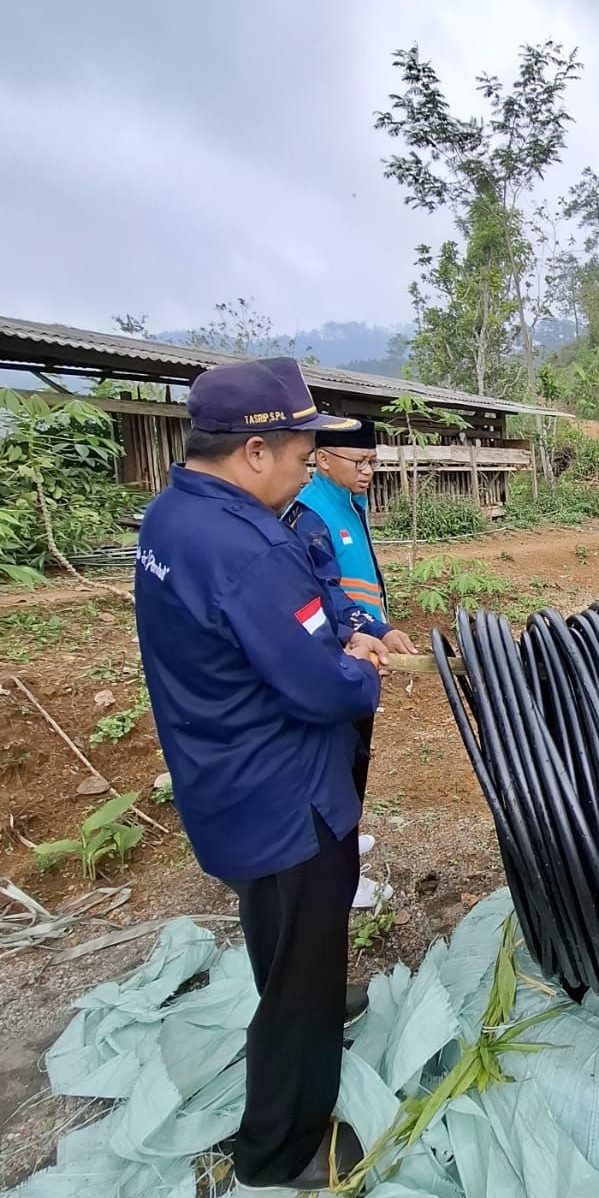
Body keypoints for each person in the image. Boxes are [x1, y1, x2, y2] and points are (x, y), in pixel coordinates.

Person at [134, 357, 382, 1191]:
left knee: (281, 930)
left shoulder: (170, 518)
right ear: (253, 452)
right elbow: (320, 686)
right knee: (302, 958)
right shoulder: (251, 550)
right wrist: (362, 669)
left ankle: (309, 995)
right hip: (287, 799)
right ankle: (281, 1149)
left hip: (223, 781)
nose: (307, 471)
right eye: (303, 457)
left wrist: (335, 637)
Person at [286, 417, 417, 911]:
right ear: (322, 460)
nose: (368, 471)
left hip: (362, 650)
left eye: (373, 462)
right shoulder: (310, 516)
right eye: (359, 462)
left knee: (355, 755)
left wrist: (380, 629)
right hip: (338, 655)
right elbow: (326, 596)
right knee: (337, 765)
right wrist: (372, 631)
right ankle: (341, 877)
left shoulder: (348, 502)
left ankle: (345, 840)